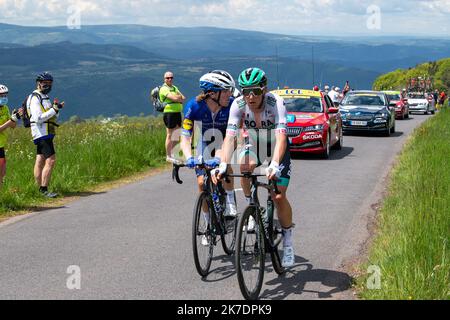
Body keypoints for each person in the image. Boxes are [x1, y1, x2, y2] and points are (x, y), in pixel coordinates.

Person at [213, 67, 295, 268]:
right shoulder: (238, 105)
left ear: (264, 89)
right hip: (256, 145)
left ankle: (288, 241)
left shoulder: (275, 102)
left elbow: (281, 136)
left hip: (277, 147)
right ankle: (251, 205)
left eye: (255, 91)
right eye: (245, 91)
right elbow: (230, 137)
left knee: (278, 196)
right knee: (245, 164)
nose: (250, 96)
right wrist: (223, 163)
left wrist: (274, 164)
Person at [180, 70, 238, 226]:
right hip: (205, 141)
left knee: (225, 167)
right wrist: (188, 157)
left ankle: (230, 201)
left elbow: (229, 137)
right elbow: (185, 135)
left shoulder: (232, 105)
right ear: (213, 94)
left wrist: (220, 159)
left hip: (226, 138)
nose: (229, 94)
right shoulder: (194, 106)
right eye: (226, 91)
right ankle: (207, 223)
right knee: (201, 183)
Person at [27, 72, 65, 198]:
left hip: (47, 132)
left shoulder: (45, 97)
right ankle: (44, 190)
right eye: (45, 83)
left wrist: (56, 109)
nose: (48, 85)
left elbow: (52, 115)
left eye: (50, 83)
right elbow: (38, 118)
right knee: (51, 160)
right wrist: (53, 110)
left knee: (40, 160)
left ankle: (37, 190)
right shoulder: (35, 98)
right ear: (39, 83)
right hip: (42, 133)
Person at [159, 71, 186, 162]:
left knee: (177, 133)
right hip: (169, 113)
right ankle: (168, 156)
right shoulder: (164, 88)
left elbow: (183, 98)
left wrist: (177, 98)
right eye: (167, 78)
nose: (170, 79)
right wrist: (177, 98)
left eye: (171, 77)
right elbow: (176, 98)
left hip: (178, 112)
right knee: (170, 134)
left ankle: (174, 154)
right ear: (164, 79)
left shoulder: (174, 87)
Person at [0, 84, 21, 189]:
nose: (4, 98)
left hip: (1, 144)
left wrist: (15, 117)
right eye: (1, 96)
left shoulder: (5, 108)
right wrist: (11, 120)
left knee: (2, 171)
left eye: (5, 95)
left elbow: (12, 126)